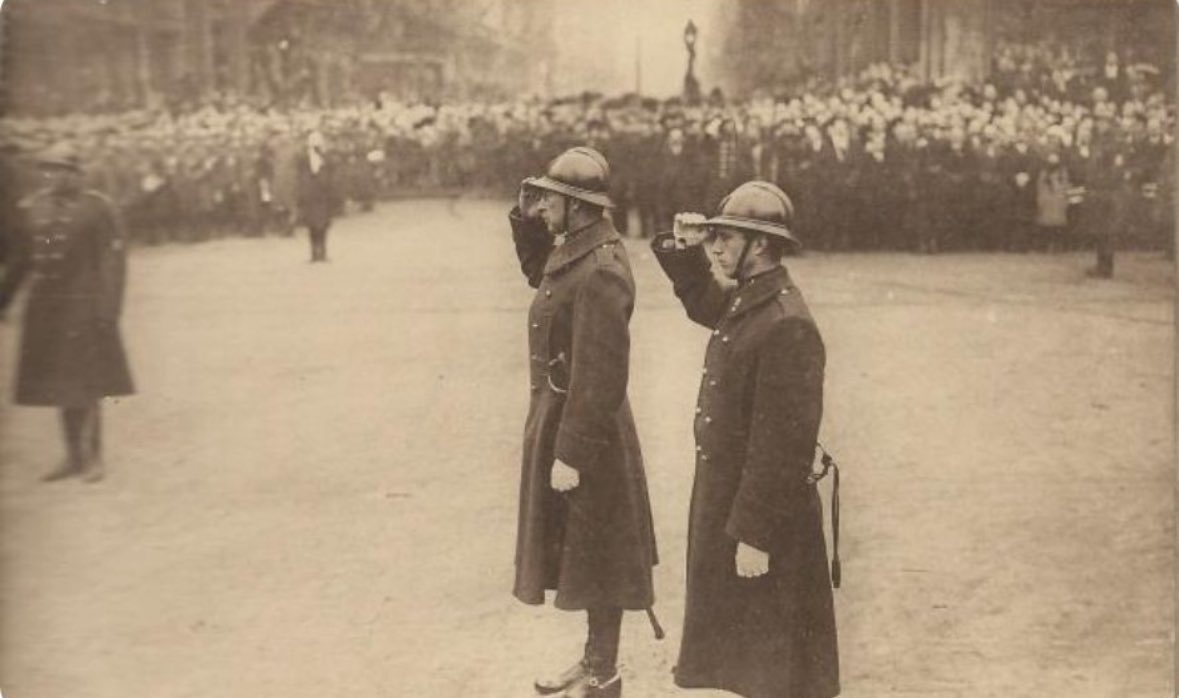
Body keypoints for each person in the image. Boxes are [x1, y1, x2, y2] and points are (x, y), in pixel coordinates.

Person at [651, 181, 840, 698]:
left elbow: (783, 444)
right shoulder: (753, 300)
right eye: (713, 238)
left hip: (764, 515)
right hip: (733, 501)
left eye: (724, 238)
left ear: (759, 244)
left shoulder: (786, 324)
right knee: (746, 653)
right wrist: (687, 252)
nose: (715, 248)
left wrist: (755, 533)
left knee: (775, 661)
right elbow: (708, 304)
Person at [508, 147, 658, 698]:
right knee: (587, 551)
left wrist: (570, 452)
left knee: (601, 555)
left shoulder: (601, 271)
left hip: (589, 430)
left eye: (549, 200)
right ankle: (596, 662)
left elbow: (600, 374)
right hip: (571, 418)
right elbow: (539, 275)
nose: (543, 208)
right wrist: (525, 216)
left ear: (576, 206)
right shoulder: (577, 248)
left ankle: (604, 676)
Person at [0, 142, 134, 483]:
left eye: (60, 169)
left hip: (84, 307)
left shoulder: (96, 208)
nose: (51, 176)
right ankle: (72, 456)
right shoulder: (34, 208)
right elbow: (23, 259)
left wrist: (108, 310)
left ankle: (93, 457)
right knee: (58, 384)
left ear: (76, 174)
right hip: (47, 311)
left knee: (87, 384)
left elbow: (112, 262)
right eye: (47, 169)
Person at [295, 131, 340, 262]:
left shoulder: (327, 157)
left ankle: (323, 251)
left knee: (324, 225)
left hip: (323, 195)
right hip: (310, 196)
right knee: (312, 226)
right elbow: (300, 176)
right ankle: (314, 252)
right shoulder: (302, 158)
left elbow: (332, 174)